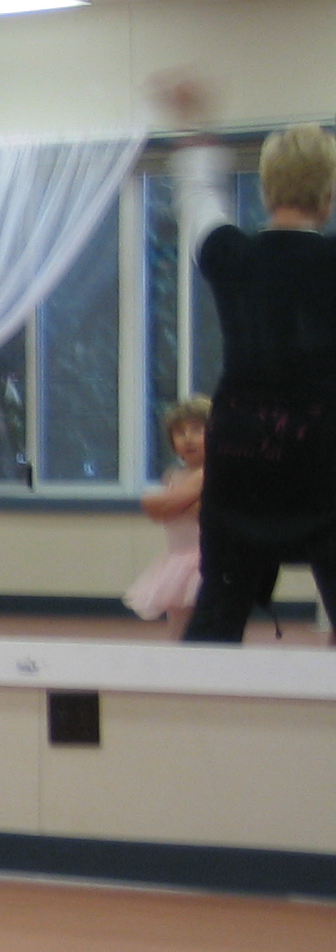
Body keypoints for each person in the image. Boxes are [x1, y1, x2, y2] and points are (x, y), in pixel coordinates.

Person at [164, 107, 336, 641]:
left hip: (242, 451)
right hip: (322, 453)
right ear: (328, 198)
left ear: (264, 191)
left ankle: (196, 692)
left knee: (218, 611)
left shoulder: (231, 254)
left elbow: (199, 199)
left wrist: (195, 133)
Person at [125, 398, 208, 630]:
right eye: (180, 432)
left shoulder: (209, 472)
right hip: (177, 559)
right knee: (178, 626)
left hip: (204, 560)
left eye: (197, 430)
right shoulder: (173, 475)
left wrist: (170, 507)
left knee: (202, 626)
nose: (188, 438)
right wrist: (172, 507)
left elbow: (175, 509)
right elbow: (161, 511)